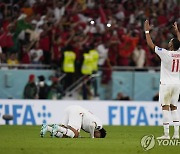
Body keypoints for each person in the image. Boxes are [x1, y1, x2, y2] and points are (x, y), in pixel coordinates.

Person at [144, 20, 180, 139]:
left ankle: (166, 134)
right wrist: (177, 32)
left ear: (171, 45)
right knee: (174, 108)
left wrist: (146, 31)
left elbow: (151, 45)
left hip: (166, 84)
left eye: (170, 41)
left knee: (165, 107)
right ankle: (176, 134)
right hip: (177, 84)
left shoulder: (166, 54)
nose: (168, 42)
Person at [40, 105, 107, 138]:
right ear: (99, 132)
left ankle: (47, 128)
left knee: (65, 135)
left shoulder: (94, 121)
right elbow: (92, 125)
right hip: (78, 112)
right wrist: (92, 137)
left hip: (71, 109)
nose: (96, 137)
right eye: (98, 136)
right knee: (75, 134)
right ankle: (57, 127)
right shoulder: (99, 125)